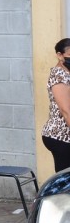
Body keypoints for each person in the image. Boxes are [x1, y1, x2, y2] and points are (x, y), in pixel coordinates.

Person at [41, 38, 70, 172]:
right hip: (60, 135)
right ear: (59, 55)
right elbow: (66, 110)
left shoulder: (67, 73)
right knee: (65, 178)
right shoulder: (59, 75)